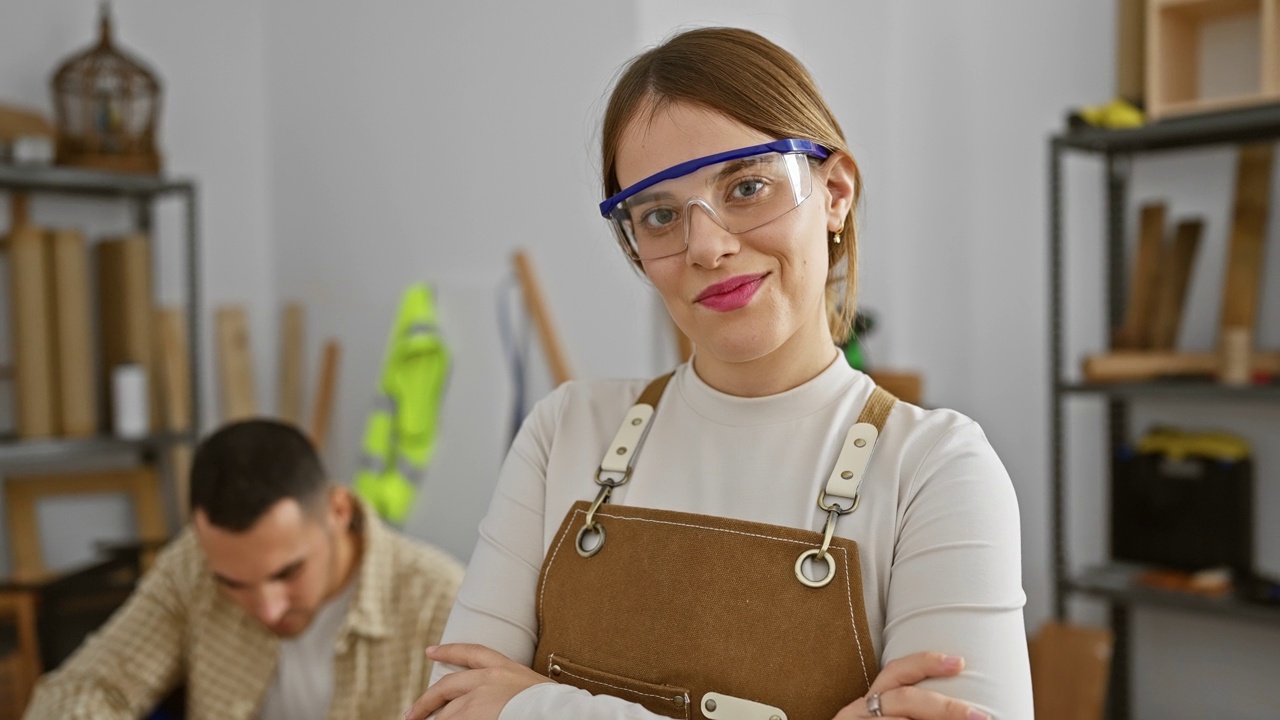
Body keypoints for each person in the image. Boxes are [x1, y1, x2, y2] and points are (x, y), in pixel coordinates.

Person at [407, 26, 1032, 720]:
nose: (705, 245)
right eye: (660, 214)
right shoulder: (566, 432)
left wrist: (536, 707)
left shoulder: (936, 471)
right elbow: (452, 710)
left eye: (747, 186)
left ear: (835, 192)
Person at [24, 419, 464, 720]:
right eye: (233, 583)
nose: (267, 610)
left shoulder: (444, 601)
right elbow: (81, 689)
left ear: (337, 509)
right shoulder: (193, 564)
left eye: (287, 573)